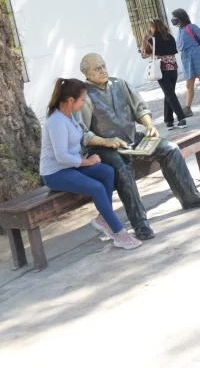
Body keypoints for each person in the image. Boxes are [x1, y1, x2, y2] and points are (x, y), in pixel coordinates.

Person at [77, 53, 200, 240]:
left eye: (104, 66)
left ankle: (191, 199)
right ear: (85, 73)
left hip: (131, 138)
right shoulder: (83, 96)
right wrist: (106, 142)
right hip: (104, 147)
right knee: (122, 169)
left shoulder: (119, 84)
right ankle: (140, 223)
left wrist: (149, 125)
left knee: (170, 149)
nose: (103, 70)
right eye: (97, 68)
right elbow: (82, 133)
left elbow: (140, 108)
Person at [41, 78, 141, 250]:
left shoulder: (69, 115)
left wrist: (105, 142)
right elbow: (62, 157)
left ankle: (103, 219)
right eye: (82, 99)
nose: (84, 103)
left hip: (71, 166)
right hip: (55, 173)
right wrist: (88, 161)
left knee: (107, 172)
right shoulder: (56, 121)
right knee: (97, 188)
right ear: (71, 100)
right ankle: (120, 233)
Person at [141, 19, 187, 130]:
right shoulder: (170, 37)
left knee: (170, 94)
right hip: (173, 69)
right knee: (169, 93)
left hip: (161, 71)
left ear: (156, 28)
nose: (150, 29)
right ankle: (168, 121)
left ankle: (181, 118)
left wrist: (144, 41)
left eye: (152, 27)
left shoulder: (153, 41)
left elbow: (144, 55)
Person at [171, 9, 200, 117]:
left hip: (196, 56)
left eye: (174, 17)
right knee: (189, 84)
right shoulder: (180, 30)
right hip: (186, 58)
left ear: (179, 17)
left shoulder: (191, 27)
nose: (172, 20)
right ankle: (187, 108)